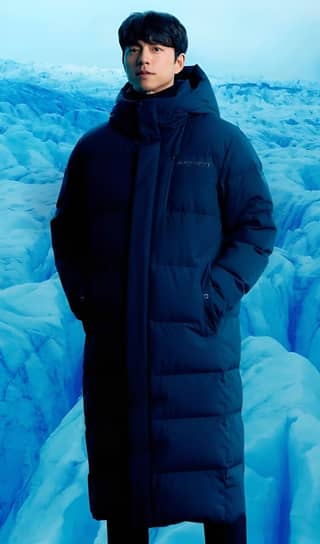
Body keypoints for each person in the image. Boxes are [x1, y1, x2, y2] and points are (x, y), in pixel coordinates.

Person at [50, 10, 276, 544]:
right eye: (133, 48)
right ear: (123, 57)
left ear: (179, 60)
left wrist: (211, 294)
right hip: (118, 348)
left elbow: (256, 226)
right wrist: (90, 299)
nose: (143, 57)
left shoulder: (222, 143)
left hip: (197, 349)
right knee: (126, 491)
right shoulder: (96, 148)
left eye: (156, 48)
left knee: (216, 489)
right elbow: (68, 231)